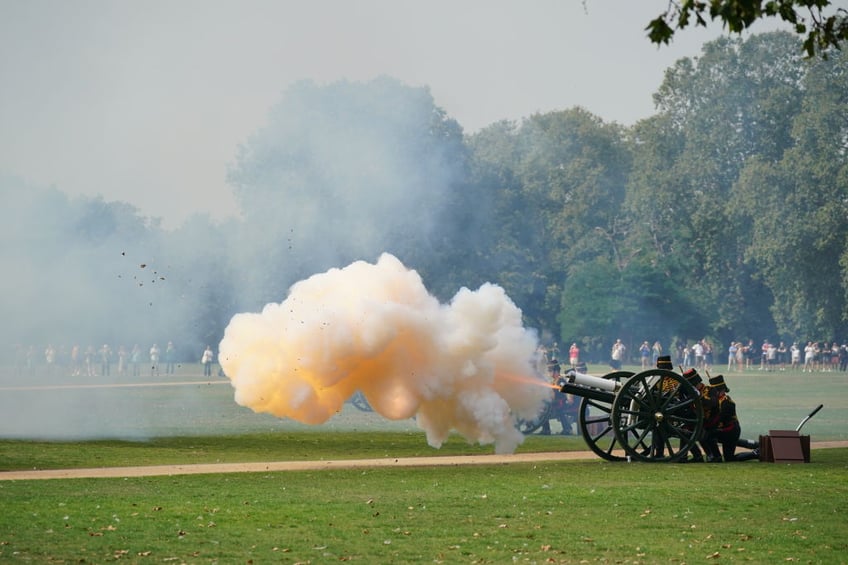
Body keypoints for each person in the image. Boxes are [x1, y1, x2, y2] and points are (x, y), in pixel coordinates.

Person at [701, 375, 758, 462]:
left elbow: (719, 418)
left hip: (730, 430)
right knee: (712, 436)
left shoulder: (726, 401)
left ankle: (754, 454)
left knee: (728, 456)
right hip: (725, 430)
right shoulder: (717, 401)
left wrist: (708, 426)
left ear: (721, 390)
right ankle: (757, 445)